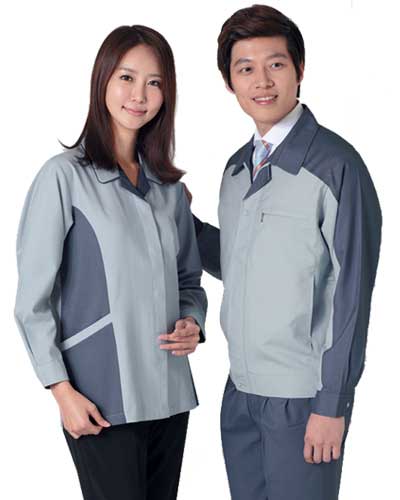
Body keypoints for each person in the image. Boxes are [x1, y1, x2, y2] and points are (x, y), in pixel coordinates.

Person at [190, 5, 382, 500]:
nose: (262, 81)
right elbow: (240, 262)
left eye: (275, 64)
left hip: (303, 399)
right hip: (240, 391)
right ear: (229, 83)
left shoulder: (337, 166)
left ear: (299, 69)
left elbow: (352, 293)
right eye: (245, 68)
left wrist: (332, 403)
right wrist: (180, 223)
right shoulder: (236, 170)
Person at [14, 24, 207, 500]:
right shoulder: (63, 178)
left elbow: (189, 279)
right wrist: (60, 391)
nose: (139, 95)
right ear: (102, 80)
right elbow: (32, 301)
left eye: (154, 82)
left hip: (169, 395)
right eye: (127, 77)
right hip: (99, 399)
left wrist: (193, 323)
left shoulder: (168, 189)